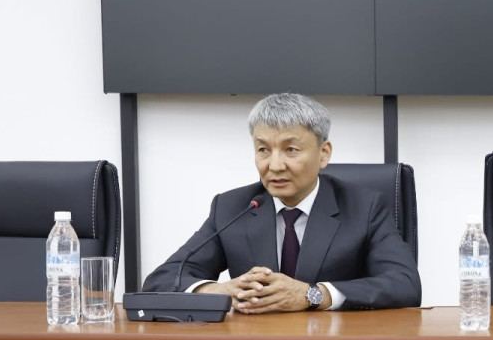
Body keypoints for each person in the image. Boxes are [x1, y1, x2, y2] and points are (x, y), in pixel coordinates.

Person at [142, 93, 421, 312]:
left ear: (323, 153)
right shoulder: (232, 208)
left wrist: (314, 295)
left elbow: (405, 284)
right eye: (263, 149)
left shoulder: (365, 207)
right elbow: (161, 280)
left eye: (291, 150)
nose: (275, 165)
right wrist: (219, 291)